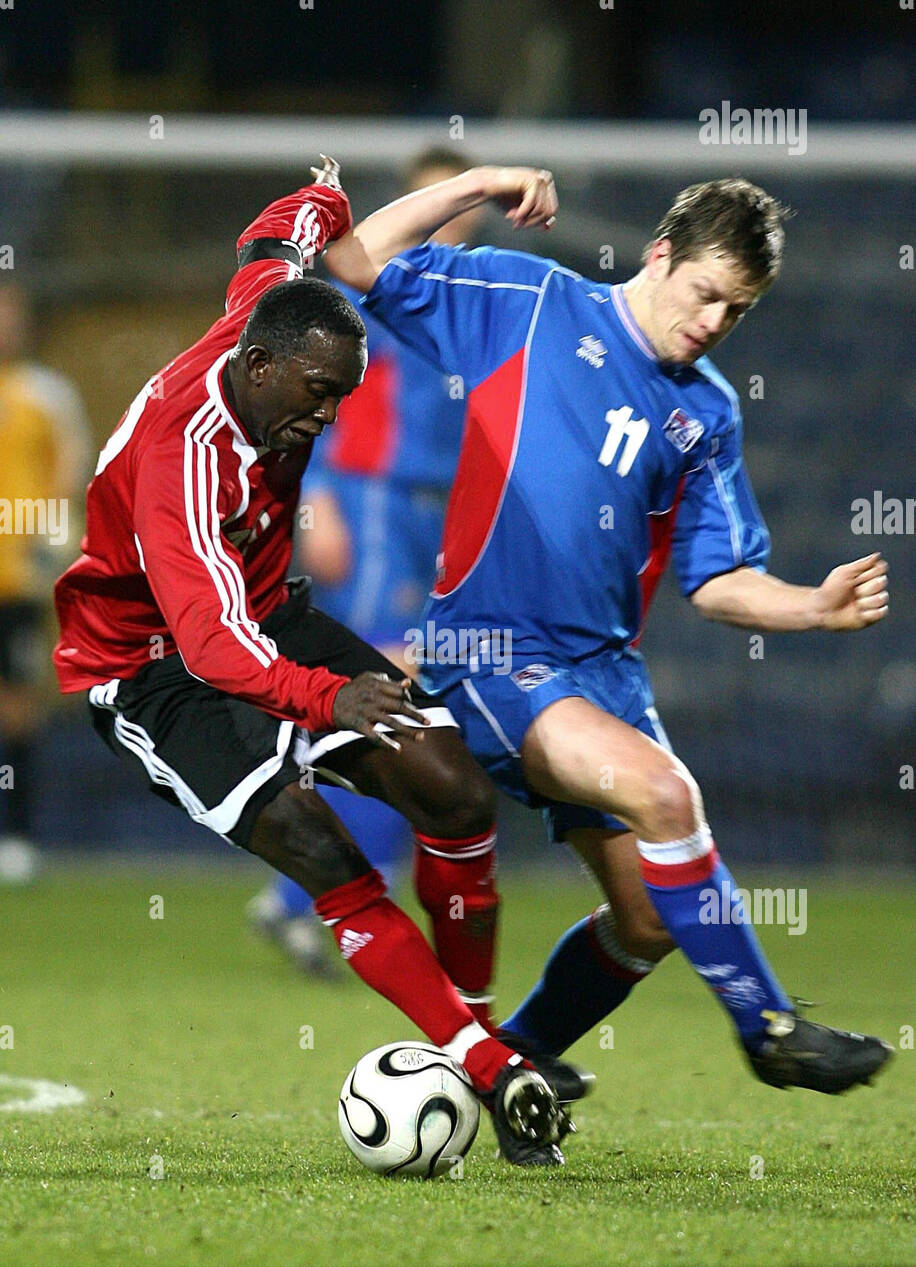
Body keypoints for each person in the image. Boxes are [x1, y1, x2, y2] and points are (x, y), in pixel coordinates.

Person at [323, 164, 892, 1130]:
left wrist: (813, 607)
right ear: (659, 256)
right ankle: (770, 1030)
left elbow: (716, 582)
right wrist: (481, 181)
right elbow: (354, 257)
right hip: (492, 651)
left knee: (646, 922)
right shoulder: (529, 302)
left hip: (603, 677)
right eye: (706, 293)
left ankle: (510, 1064)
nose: (714, 323)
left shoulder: (707, 412)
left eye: (738, 312)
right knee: (668, 795)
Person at [52, 159, 589, 1167]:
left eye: (341, 399)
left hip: (271, 617)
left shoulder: (277, 310)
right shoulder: (185, 455)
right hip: (153, 669)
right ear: (258, 371)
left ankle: (477, 1037)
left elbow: (312, 212)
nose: (324, 420)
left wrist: (479, 181)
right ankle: (485, 1065)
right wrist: (333, 695)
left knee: (456, 794)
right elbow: (211, 649)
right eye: (313, 398)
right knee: (318, 846)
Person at [252, 148, 489, 990]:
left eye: (462, 204)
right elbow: (319, 398)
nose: (453, 217)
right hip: (375, 505)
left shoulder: (467, 292)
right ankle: (302, 888)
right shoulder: (373, 290)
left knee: (409, 701)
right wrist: (317, 503)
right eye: (437, 201)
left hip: (424, 512)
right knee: (393, 694)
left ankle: (313, 886)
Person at [0, 283, 92, 883]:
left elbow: (72, 472)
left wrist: (51, 551)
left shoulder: (47, 395)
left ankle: (16, 836)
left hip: (15, 582)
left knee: (16, 706)